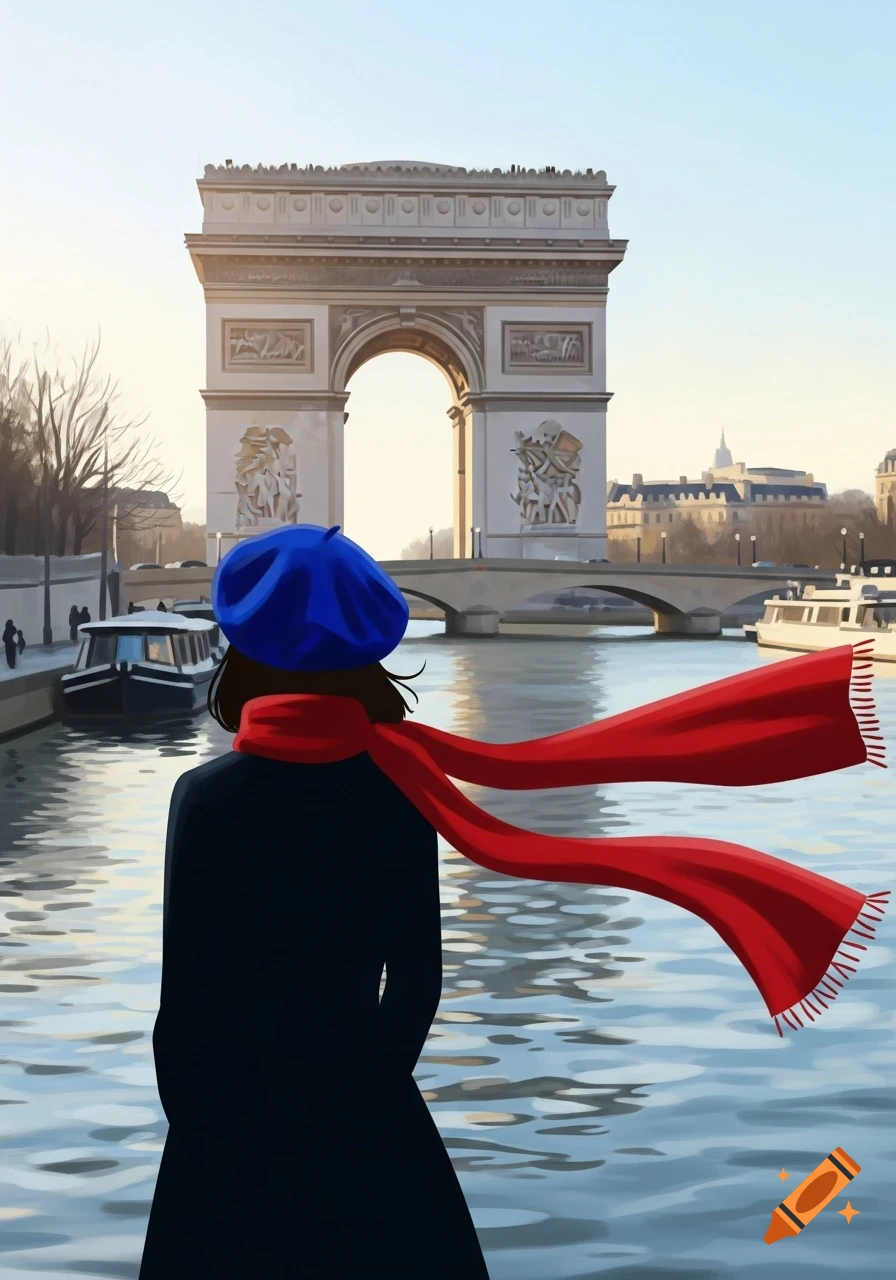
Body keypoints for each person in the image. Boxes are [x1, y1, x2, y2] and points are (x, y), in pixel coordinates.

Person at [140, 524, 887, 1280]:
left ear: (243, 655)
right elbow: (416, 986)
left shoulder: (205, 801)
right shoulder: (399, 793)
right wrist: (357, 1113)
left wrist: (209, 1134)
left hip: (227, 1128)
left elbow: (185, 1005)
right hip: (367, 1113)